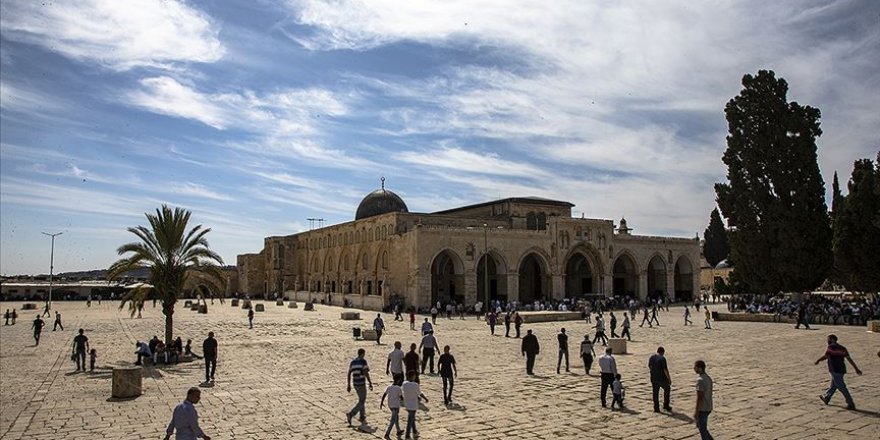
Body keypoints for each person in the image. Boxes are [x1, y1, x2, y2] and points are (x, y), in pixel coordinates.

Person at [815, 334, 862, 410]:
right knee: (834, 385)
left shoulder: (831, 347)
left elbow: (826, 356)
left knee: (841, 387)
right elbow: (849, 359)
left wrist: (818, 360)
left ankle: (850, 403)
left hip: (835, 369)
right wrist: (856, 368)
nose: (827, 341)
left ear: (832, 339)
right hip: (841, 369)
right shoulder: (843, 348)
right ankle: (827, 397)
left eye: (828, 339)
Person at [346, 348, 373, 425]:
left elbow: (349, 373)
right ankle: (351, 414)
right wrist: (370, 382)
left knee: (361, 399)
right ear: (362, 354)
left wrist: (348, 384)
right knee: (362, 400)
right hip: (361, 383)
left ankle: (362, 415)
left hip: (355, 383)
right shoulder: (363, 361)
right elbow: (366, 372)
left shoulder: (353, 362)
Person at [402, 371, 428, 440]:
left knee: (412, 418)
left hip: (407, 403)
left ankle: (415, 431)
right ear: (412, 376)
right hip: (413, 404)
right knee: (410, 420)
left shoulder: (404, 384)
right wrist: (425, 398)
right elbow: (420, 393)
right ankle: (407, 435)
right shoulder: (415, 385)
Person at [694, 360, 714, 440]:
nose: (694, 368)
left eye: (695, 367)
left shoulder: (700, 380)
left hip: (703, 408)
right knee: (703, 427)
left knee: (702, 429)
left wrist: (696, 411)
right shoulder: (708, 378)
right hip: (709, 406)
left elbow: (699, 397)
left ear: (700, 368)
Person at [648, 346, 672, 412]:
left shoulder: (651, 357)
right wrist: (669, 379)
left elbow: (650, 367)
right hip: (662, 378)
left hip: (654, 378)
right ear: (662, 352)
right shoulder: (662, 358)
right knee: (667, 389)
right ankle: (666, 405)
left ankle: (656, 408)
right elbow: (665, 369)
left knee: (655, 393)